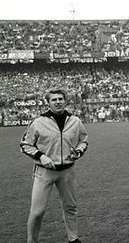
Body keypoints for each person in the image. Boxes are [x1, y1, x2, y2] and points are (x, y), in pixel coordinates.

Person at [20, 89, 89, 243]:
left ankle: (73, 238)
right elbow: (25, 145)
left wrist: (78, 151)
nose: (58, 102)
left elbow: (83, 140)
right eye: (54, 100)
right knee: (38, 211)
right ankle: (32, 241)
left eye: (60, 99)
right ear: (48, 103)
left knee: (70, 207)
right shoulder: (38, 122)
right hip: (44, 172)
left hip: (67, 171)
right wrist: (41, 156)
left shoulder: (75, 121)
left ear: (65, 101)